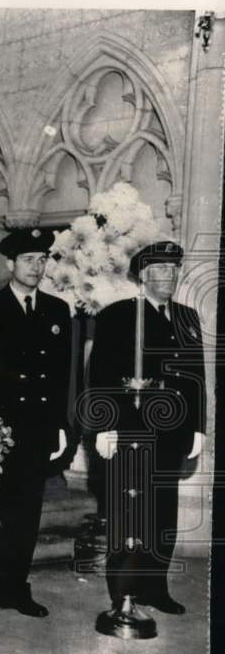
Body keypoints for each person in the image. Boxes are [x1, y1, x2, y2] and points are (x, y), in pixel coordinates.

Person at [0, 227, 72, 618]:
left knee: (26, 515)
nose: (37, 267)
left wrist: (60, 426)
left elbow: (61, 376)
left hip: (36, 430)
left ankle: (16, 589)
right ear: (10, 264)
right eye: (28, 260)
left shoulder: (57, 311)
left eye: (42, 260)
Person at [90, 241, 205, 615]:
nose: (168, 276)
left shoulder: (188, 318)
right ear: (142, 275)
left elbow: (197, 379)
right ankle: (123, 595)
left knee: (162, 516)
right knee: (129, 514)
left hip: (173, 434)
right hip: (131, 429)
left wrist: (199, 428)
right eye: (159, 269)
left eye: (173, 269)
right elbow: (101, 377)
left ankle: (156, 588)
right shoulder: (118, 315)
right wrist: (103, 427)